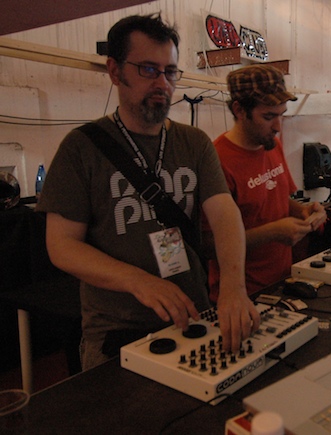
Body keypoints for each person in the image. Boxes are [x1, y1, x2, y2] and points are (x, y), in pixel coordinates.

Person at [36, 14, 260, 371]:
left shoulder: (194, 143)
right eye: (148, 69)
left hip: (193, 318)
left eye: (170, 72)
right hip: (118, 332)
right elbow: (61, 245)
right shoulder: (81, 148)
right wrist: (137, 281)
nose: (162, 83)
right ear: (114, 71)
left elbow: (224, 213)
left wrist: (234, 286)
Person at [204, 64, 327, 300]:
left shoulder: (272, 145)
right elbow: (209, 244)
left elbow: (277, 199)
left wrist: (305, 211)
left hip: (281, 282)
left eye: (281, 114)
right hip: (241, 294)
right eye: (268, 117)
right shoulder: (217, 160)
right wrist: (272, 233)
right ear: (240, 110)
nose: (278, 127)